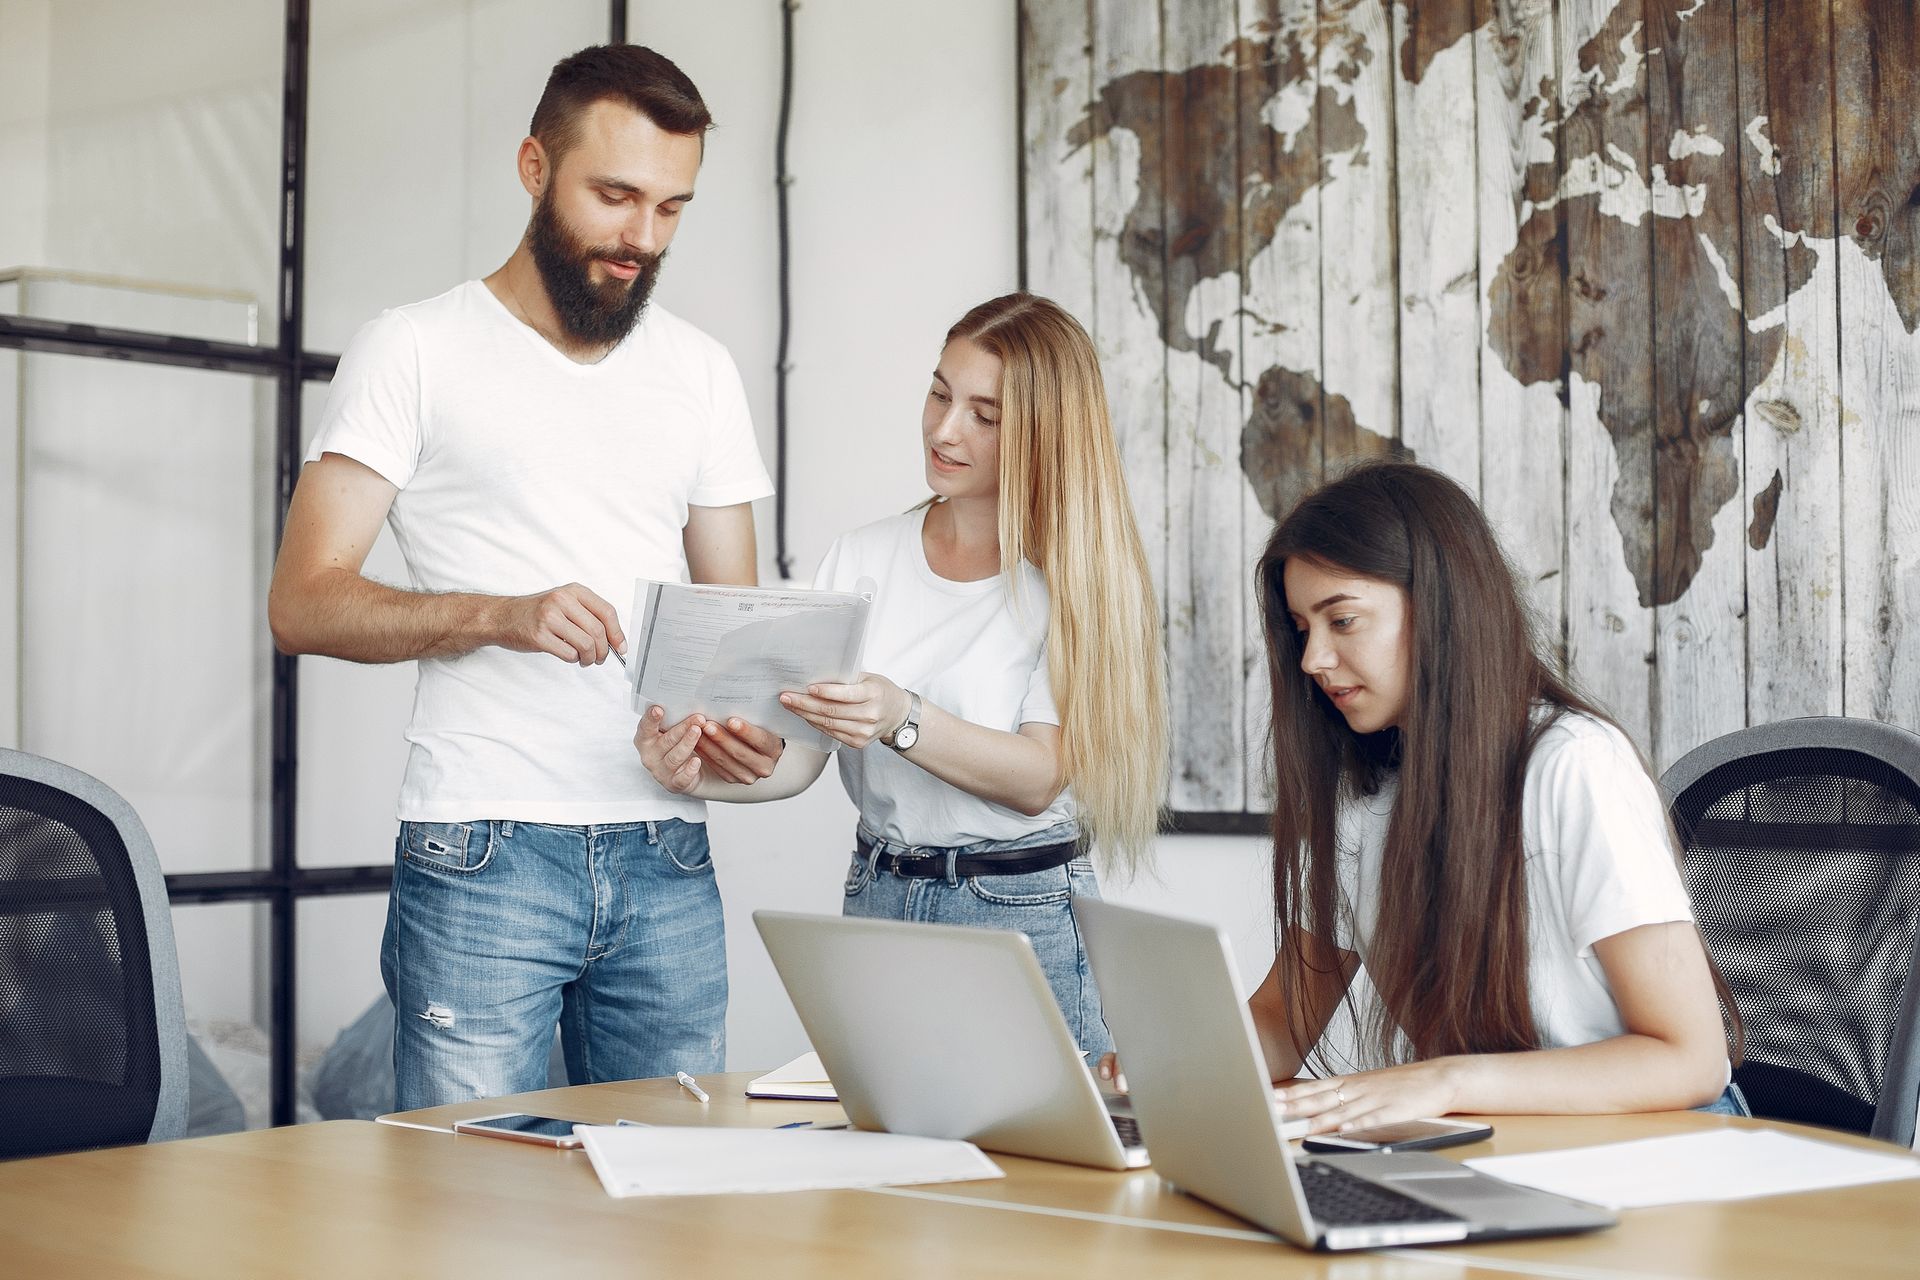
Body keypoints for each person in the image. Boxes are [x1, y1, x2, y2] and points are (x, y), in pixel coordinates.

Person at [267, 45, 774, 1109]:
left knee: (682, 1200)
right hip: (483, 848)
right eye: (616, 195)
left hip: (666, 847)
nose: (643, 238)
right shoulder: (413, 349)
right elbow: (304, 598)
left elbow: (734, 630)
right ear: (535, 167)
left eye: (673, 209)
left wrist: (727, 728)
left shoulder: (703, 373)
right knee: (469, 1207)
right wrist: (498, 613)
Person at [1103, 459, 1745, 1130]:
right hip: (1510, 1143)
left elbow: (1691, 1060)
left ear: (1439, 608)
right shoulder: (1364, 794)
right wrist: (1175, 1060)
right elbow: (1282, 1023)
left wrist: (1444, 1081)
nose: (1312, 660)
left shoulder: (1573, 764)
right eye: (1302, 629)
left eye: (1343, 621)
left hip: (1660, 1145)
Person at [634, 292, 1168, 1055]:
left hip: (1021, 911)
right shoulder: (861, 558)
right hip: (880, 896)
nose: (945, 430)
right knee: (881, 1164)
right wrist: (690, 770)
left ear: (1045, 436)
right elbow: (797, 765)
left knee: (1034, 1174)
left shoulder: (1077, 578)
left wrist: (900, 716)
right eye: (940, 393)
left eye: (985, 416)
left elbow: (1039, 779)